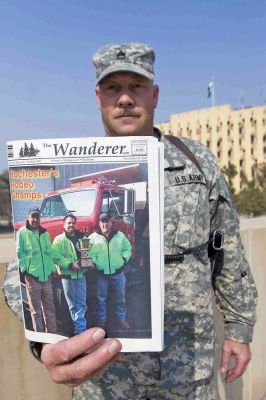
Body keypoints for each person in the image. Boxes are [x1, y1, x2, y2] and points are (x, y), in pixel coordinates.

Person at [4, 43, 257, 399]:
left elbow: (227, 251)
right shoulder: (78, 168)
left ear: (154, 94)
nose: (124, 98)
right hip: (107, 378)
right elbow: (22, 271)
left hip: (190, 366)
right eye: (113, 88)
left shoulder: (195, 161)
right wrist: (43, 341)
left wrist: (238, 329)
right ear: (98, 98)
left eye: (136, 86)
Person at [16, 206, 57, 333]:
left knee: (50, 308)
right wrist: (25, 271)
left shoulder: (45, 233)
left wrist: (52, 270)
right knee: (36, 311)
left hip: (47, 278)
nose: (35, 219)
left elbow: (50, 253)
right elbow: (19, 253)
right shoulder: (22, 232)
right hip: (32, 278)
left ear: (40, 218)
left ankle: (52, 335)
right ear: (28, 217)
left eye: (37, 217)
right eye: (33, 216)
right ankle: (40, 337)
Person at [88, 213, 132, 330]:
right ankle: (102, 321)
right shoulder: (92, 238)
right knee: (100, 299)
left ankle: (122, 319)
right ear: (99, 223)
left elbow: (128, 249)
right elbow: (87, 253)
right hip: (101, 275)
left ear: (111, 223)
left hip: (118, 274)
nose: (105, 224)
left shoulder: (120, 236)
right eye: (102, 221)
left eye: (107, 221)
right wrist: (94, 263)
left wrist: (123, 259)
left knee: (120, 298)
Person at [53, 214, 88, 334]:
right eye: (69, 223)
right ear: (64, 225)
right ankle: (80, 329)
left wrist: (90, 262)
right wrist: (70, 265)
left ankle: (80, 330)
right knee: (72, 305)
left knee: (82, 304)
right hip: (67, 278)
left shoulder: (82, 237)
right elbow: (56, 257)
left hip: (81, 276)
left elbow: (88, 253)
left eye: (73, 223)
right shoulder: (58, 239)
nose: (71, 225)